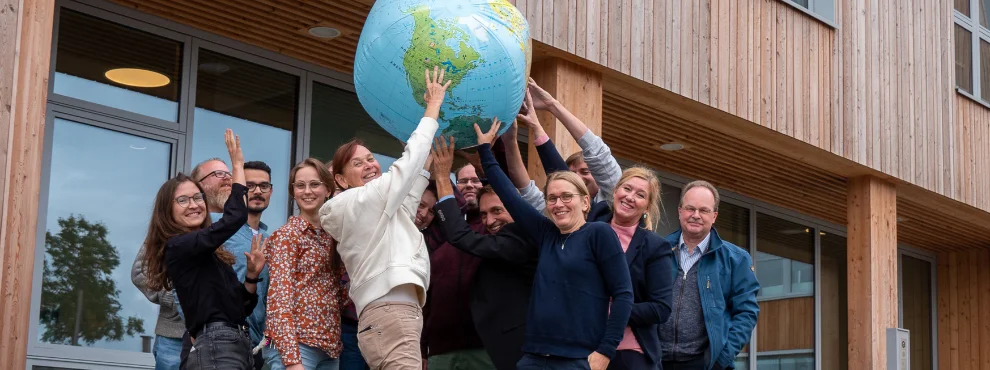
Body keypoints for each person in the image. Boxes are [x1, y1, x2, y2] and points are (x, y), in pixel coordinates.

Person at [517, 86, 677, 369]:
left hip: (629, 352)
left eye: (640, 195)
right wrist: (539, 125)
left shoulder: (656, 247)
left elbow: (661, 309)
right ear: (613, 191)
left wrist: (605, 309)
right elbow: (562, 178)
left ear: (647, 206)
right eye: (626, 188)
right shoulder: (591, 225)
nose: (630, 196)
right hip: (581, 349)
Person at [474, 120, 634, 370]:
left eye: (566, 197)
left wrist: (605, 350)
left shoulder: (599, 233)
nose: (558, 204)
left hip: (578, 359)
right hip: (534, 357)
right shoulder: (546, 234)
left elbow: (624, 294)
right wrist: (485, 150)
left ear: (584, 202)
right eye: (552, 198)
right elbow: (508, 195)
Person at [318, 66, 448, 369]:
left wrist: (425, 164)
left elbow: (406, 202)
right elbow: (403, 170)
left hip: (389, 313)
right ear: (341, 179)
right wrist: (432, 109)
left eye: (371, 159)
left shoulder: (369, 205)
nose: (369, 165)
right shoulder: (360, 199)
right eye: (356, 163)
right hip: (391, 312)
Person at [142, 129, 266, 369]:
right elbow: (235, 216)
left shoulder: (212, 252)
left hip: (237, 343)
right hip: (217, 344)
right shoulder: (178, 246)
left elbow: (241, 306)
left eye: (197, 198)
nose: (194, 205)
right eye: (183, 200)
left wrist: (252, 274)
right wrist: (238, 165)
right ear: (167, 210)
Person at [429, 135, 538, 370]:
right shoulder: (496, 234)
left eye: (497, 210)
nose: (490, 221)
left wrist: (441, 176)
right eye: (485, 213)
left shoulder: (523, 237)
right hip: (446, 347)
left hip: (505, 351)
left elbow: (460, 236)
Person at [660, 181, 760, 370]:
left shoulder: (736, 259)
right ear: (680, 211)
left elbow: (746, 313)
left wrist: (721, 359)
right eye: (690, 208)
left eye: (704, 210)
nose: (695, 215)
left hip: (705, 363)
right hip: (656, 361)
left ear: (714, 216)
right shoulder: (658, 251)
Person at [265, 158, 346, 370]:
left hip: (329, 348)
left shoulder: (334, 237)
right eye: (300, 185)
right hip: (296, 346)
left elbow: (339, 295)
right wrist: (292, 361)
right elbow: (279, 300)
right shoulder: (287, 236)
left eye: (314, 184)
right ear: (293, 192)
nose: (307, 191)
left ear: (328, 189)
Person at [521, 78, 622, 207]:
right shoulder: (563, 209)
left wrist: (552, 105)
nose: (578, 178)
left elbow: (597, 152)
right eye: (572, 174)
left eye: (585, 172)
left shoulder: (614, 198)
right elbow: (531, 194)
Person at [327, 161, 371, 370]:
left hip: (378, 318)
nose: (338, 196)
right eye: (333, 190)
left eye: (341, 190)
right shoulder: (320, 230)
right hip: (345, 324)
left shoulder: (372, 219)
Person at [132, 245, 185, 370]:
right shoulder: (169, 226)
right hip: (175, 338)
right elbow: (140, 272)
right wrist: (175, 297)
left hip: (228, 338)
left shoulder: (236, 228)